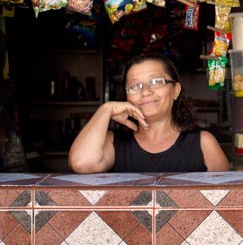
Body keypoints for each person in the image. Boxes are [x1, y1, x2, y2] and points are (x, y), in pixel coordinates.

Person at [68, 54, 229, 173]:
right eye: (135, 86)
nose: (145, 92)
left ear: (175, 90)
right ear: (126, 97)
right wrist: (106, 109)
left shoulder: (203, 143)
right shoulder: (114, 143)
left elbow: (227, 202)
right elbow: (81, 163)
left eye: (155, 82)